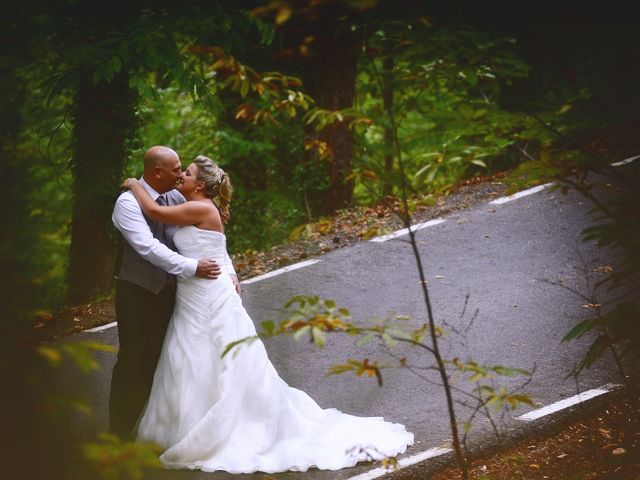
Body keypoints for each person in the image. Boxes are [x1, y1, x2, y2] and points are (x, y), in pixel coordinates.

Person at [121, 155, 413, 474]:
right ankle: (181, 425)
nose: (181, 177)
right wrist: (232, 274)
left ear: (200, 184)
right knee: (187, 357)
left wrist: (135, 184)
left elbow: (155, 212)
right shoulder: (190, 201)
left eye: (186, 173)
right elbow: (217, 248)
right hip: (193, 293)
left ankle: (228, 427)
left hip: (207, 292)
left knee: (219, 356)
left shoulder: (201, 207)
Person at [110, 146, 240, 441]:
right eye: (177, 169)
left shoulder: (179, 198)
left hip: (176, 293)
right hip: (138, 291)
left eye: (185, 170)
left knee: (168, 360)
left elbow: (214, 242)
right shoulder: (127, 203)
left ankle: (181, 425)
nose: (181, 173)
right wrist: (192, 267)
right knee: (133, 359)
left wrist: (228, 270)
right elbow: (147, 247)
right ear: (157, 172)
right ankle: (117, 433)